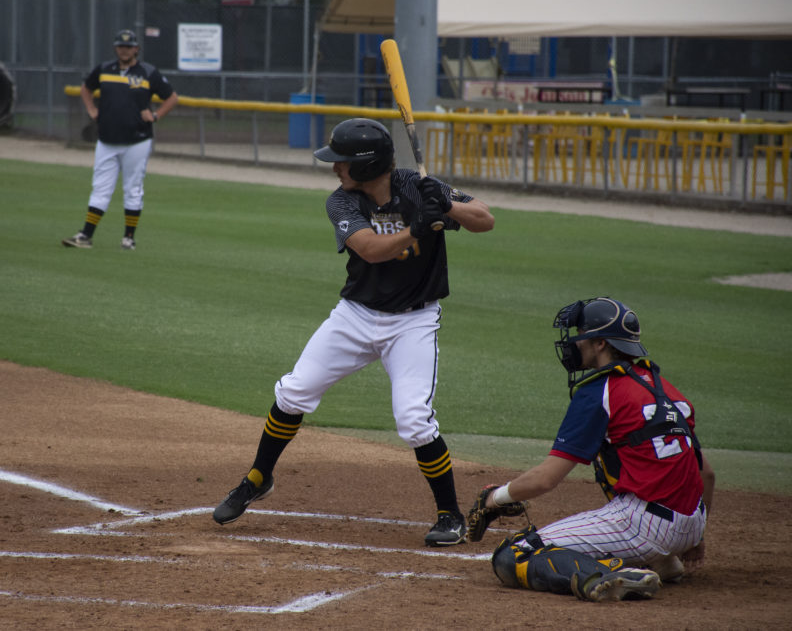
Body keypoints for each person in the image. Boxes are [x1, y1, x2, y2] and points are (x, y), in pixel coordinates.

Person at [211, 118, 495, 546]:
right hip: (356, 316)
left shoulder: (420, 186)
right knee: (293, 392)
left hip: (412, 322)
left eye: (341, 162)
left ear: (365, 165)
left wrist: (447, 206)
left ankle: (449, 514)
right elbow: (370, 249)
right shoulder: (341, 203)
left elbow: (485, 220)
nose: (334, 169)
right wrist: (418, 226)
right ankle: (258, 477)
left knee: (414, 420)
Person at [478, 297, 714, 602]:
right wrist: (696, 538)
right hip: (693, 523)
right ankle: (662, 560)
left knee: (514, 554)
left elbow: (546, 479)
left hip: (643, 525)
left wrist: (495, 498)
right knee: (617, 448)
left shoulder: (601, 391)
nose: (575, 344)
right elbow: (706, 474)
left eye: (581, 337)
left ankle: (607, 575)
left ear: (600, 343)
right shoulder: (666, 389)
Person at [62, 28, 179, 251]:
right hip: (107, 139)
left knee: (133, 188)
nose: (124, 50)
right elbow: (86, 89)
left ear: (136, 49)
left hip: (137, 139)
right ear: (116, 48)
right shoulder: (105, 69)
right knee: (100, 188)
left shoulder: (147, 72)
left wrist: (156, 116)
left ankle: (128, 238)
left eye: (129, 46)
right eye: (121, 46)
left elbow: (172, 97)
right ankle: (85, 235)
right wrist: (91, 109)